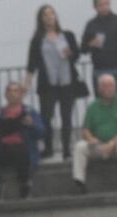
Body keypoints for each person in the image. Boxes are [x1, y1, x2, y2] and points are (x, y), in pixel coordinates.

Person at [26, 5, 83, 160]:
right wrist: (27, 82)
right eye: (46, 14)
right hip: (47, 83)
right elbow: (32, 63)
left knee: (66, 116)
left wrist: (70, 53)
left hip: (67, 81)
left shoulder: (67, 35)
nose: (49, 17)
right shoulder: (38, 39)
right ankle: (49, 147)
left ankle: (66, 149)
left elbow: (77, 55)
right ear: (41, 19)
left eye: (52, 14)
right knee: (46, 116)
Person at [72, 73, 117, 194]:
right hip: (99, 146)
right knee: (80, 146)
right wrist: (91, 139)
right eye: (105, 86)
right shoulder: (93, 107)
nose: (109, 88)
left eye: (111, 85)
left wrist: (112, 143)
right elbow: (85, 129)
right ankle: (79, 183)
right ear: (99, 88)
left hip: (116, 145)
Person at [0, 82, 44, 200]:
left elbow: (41, 133)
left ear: (20, 94)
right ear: (5, 94)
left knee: (21, 149)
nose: (12, 94)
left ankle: (24, 183)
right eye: (9, 91)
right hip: (3, 148)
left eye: (16, 91)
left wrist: (31, 124)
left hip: (23, 148)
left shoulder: (29, 111)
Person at [81, 0, 117, 96]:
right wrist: (90, 44)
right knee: (101, 104)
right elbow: (83, 49)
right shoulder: (91, 24)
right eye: (101, 5)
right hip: (99, 71)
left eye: (106, 4)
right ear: (95, 7)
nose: (104, 7)